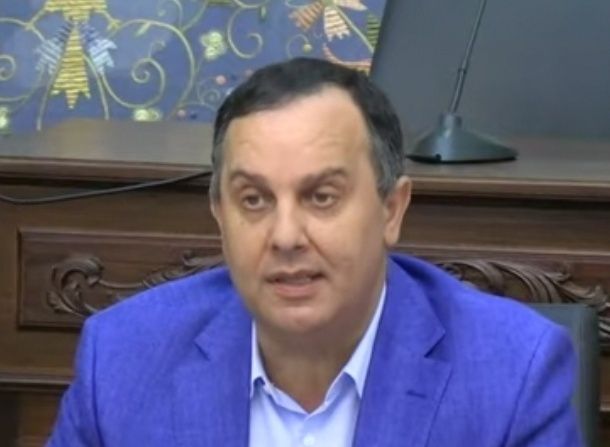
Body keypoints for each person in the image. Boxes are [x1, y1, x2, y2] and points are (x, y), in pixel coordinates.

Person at [47, 58, 581, 446]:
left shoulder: (513, 373)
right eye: (254, 200)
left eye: (321, 197)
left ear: (391, 210)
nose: (285, 236)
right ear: (219, 215)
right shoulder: (122, 359)